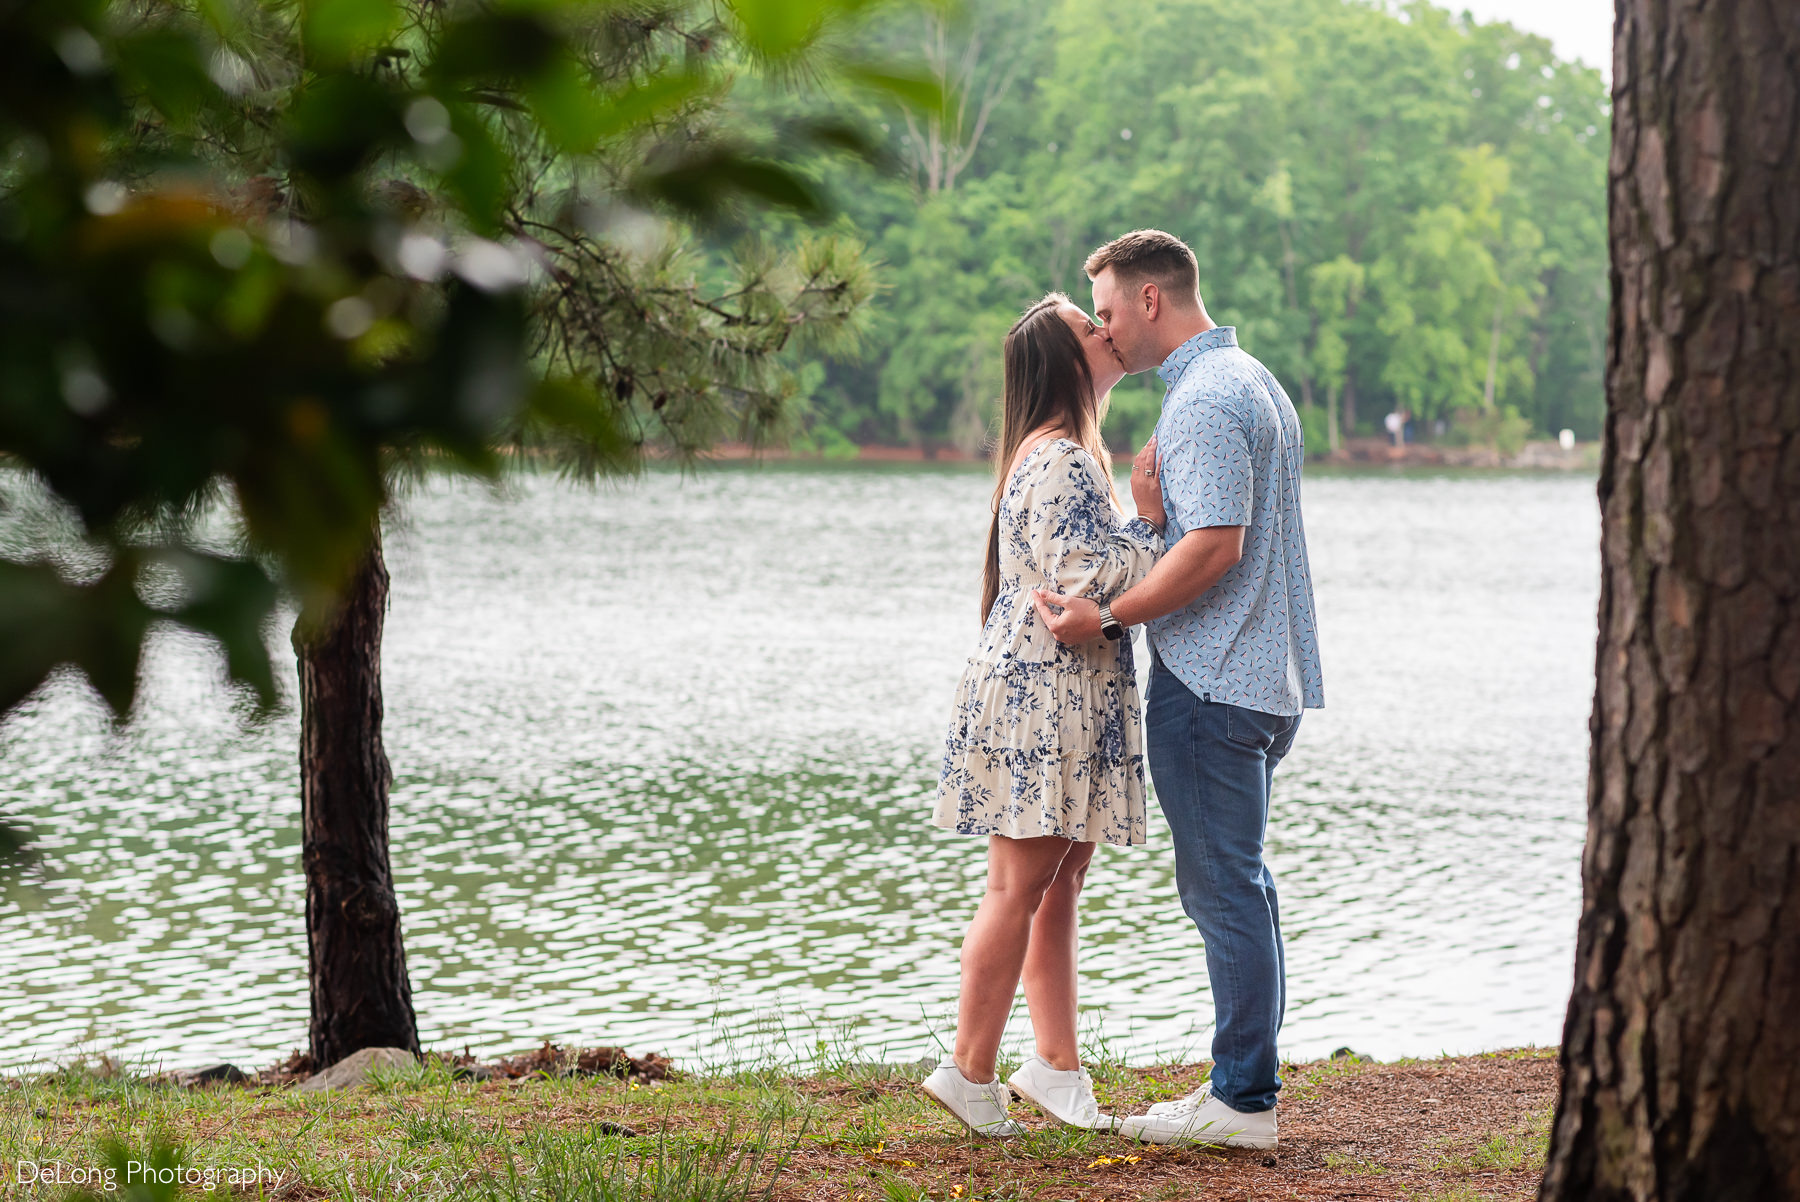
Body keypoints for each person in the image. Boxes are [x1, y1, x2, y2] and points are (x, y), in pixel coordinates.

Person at [1034, 230, 1324, 1151]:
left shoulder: (1201, 401)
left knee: (1224, 891)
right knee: (1246, 886)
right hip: (1264, 679)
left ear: (1151, 298)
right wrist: (1149, 519)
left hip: (1210, 684)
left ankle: (1242, 1103)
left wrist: (1110, 618)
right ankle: (1246, 1087)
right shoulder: (1255, 380)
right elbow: (1210, 535)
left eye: (1111, 310)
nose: (1110, 330)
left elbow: (1215, 548)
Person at [920, 292, 1166, 1137]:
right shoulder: (1060, 458)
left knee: (1057, 882)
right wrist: (1156, 521)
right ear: (1067, 363)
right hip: (1045, 692)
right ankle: (969, 1070)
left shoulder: (1059, 452)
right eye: (1088, 328)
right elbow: (1086, 578)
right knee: (1020, 885)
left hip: (1048, 688)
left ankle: (1055, 1067)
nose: (1106, 332)